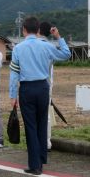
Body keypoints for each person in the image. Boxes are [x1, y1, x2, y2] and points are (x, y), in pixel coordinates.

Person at [9, 17, 71, 175]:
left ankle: (35, 165)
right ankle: (42, 159)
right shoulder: (46, 46)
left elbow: (14, 74)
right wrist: (58, 37)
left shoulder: (18, 48)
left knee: (31, 126)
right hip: (43, 87)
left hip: (27, 89)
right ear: (38, 30)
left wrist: (12, 95)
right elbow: (66, 54)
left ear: (23, 30)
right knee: (42, 124)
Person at [37, 21, 54, 151]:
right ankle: (46, 141)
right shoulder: (50, 46)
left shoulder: (33, 46)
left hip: (34, 84)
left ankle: (36, 141)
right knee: (45, 114)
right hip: (47, 84)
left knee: (33, 114)